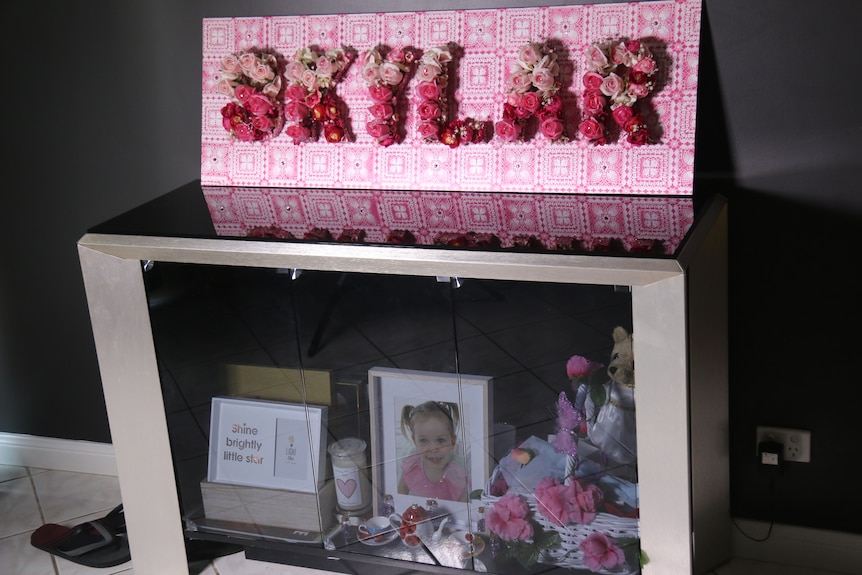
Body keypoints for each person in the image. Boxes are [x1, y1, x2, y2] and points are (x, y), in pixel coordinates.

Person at [397, 400, 468, 502]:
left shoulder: (457, 474)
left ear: (452, 440)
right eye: (423, 441)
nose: (433, 449)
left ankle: (454, 449)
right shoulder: (412, 466)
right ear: (415, 441)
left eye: (440, 440)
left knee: (454, 455)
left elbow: (463, 501)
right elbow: (401, 491)